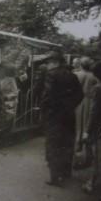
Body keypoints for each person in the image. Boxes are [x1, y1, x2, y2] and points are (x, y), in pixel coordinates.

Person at [41, 51, 83, 187]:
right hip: (69, 115)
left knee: (53, 145)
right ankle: (66, 171)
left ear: (55, 62)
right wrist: (70, 106)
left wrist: (44, 110)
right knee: (67, 143)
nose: (47, 66)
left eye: (48, 63)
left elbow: (47, 96)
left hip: (54, 115)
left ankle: (55, 177)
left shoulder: (51, 75)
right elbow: (80, 94)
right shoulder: (72, 76)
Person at [82, 62, 101, 200]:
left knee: (100, 157)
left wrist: (87, 131)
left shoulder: (99, 89)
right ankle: (93, 184)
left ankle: (97, 186)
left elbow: (94, 113)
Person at [73, 57, 98, 169]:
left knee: (77, 128)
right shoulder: (94, 76)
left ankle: (76, 158)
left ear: (81, 65)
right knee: (87, 128)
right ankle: (87, 157)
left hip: (78, 102)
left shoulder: (77, 75)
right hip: (90, 102)